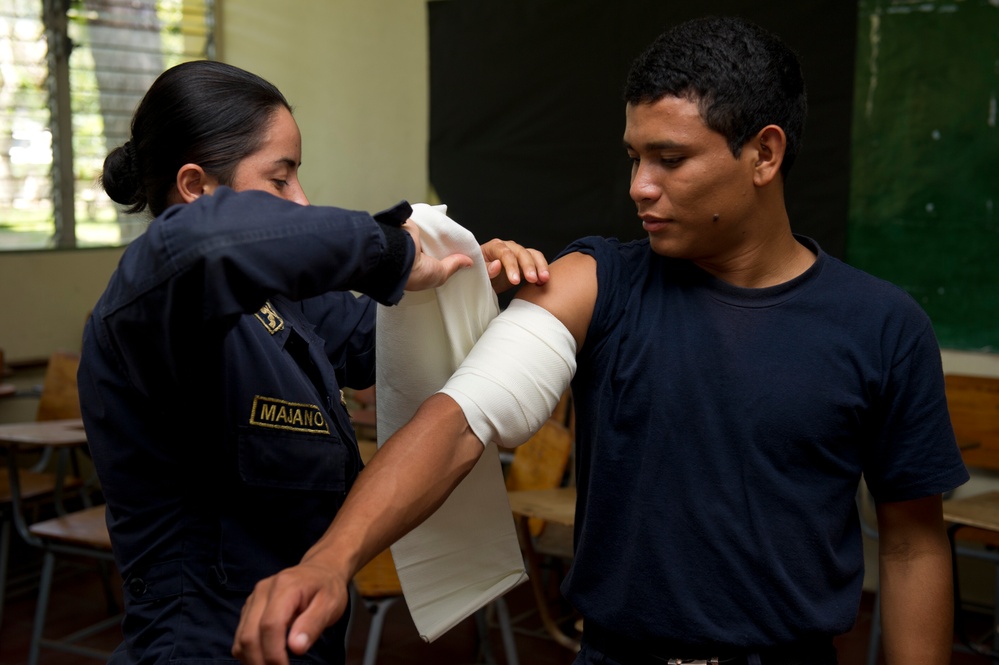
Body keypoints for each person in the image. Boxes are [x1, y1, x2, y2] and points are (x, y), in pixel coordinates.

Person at [232, 16, 969, 665]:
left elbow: (910, 542)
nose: (639, 186)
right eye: (633, 157)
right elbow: (459, 421)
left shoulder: (881, 324)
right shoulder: (595, 280)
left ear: (764, 154)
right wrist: (331, 561)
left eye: (670, 159)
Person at [77, 59, 549, 665]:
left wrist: (467, 284)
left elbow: (375, 339)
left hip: (309, 634)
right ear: (196, 188)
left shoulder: (282, 307)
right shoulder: (150, 306)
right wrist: (391, 251)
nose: (301, 201)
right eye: (280, 181)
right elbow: (202, 244)